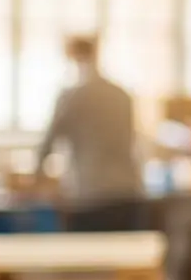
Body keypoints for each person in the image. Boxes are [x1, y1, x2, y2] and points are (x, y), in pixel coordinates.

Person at [36, 35, 145, 232]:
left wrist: (37, 182)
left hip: (89, 196)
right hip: (127, 193)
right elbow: (132, 141)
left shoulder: (71, 96)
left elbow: (47, 145)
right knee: (122, 258)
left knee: (89, 260)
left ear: (71, 56)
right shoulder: (121, 95)